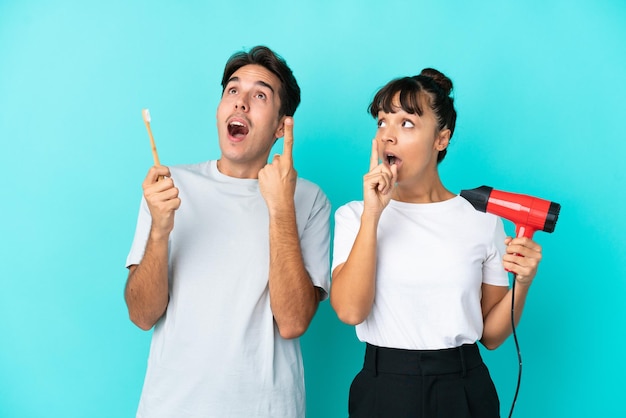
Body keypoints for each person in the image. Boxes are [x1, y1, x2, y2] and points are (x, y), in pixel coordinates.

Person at [124, 45, 330, 418]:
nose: (241, 103)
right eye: (232, 91)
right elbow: (141, 315)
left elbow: (294, 321)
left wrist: (281, 208)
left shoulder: (309, 199)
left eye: (260, 95)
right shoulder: (168, 187)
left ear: (283, 127)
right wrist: (159, 232)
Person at [330, 69, 544, 418]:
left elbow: (491, 335)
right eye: (382, 122)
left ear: (441, 139)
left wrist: (523, 282)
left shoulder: (482, 218)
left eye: (407, 124)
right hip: (383, 387)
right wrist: (373, 215)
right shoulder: (354, 215)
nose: (388, 136)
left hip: (462, 387)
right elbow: (351, 311)